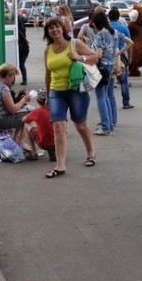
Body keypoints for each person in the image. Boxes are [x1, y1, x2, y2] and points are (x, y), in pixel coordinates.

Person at [44, 17, 98, 178]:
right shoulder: (48, 49)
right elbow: (48, 73)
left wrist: (79, 57)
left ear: (62, 29)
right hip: (56, 91)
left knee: (80, 125)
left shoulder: (74, 44)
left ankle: (90, 152)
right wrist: (47, 94)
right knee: (58, 127)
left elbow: (94, 57)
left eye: (57, 27)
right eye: (51, 28)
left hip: (76, 90)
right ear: (48, 32)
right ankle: (60, 165)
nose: (54, 30)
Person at [0, 63, 32, 147]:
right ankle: (19, 141)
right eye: (13, 77)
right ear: (8, 75)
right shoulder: (3, 88)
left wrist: (20, 102)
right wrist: (24, 100)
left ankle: (14, 140)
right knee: (30, 114)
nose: (13, 80)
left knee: (23, 113)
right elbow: (12, 110)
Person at [91, 11, 119, 136]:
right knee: (107, 95)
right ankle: (109, 123)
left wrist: (88, 58)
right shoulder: (113, 32)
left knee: (100, 97)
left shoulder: (100, 34)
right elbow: (120, 46)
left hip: (101, 67)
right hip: (110, 65)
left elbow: (98, 54)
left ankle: (105, 126)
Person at [108, 8, 134, 110]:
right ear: (118, 17)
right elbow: (130, 44)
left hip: (108, 56)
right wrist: (130, 57)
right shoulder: (124, 28)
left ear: (109, 17)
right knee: (124, 81)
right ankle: (126, 102)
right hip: (122, 55)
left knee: (109, 82)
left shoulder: (106, 28)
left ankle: (108, 102)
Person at [23, 89, 55, 162]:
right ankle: (55, 150)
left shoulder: (37, 111)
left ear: (38, 101)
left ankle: (33, 152)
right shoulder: (56, 110)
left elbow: (24, 120)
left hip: (44, 143)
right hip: (58, 141)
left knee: (26, 124)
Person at [17, 16, 30, 86]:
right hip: (26, 48)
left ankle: (24, 80)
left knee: (21, 64)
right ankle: (24, 79)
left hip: (22, 49)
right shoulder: (23, 28)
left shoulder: (18, 30)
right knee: (21, 64)